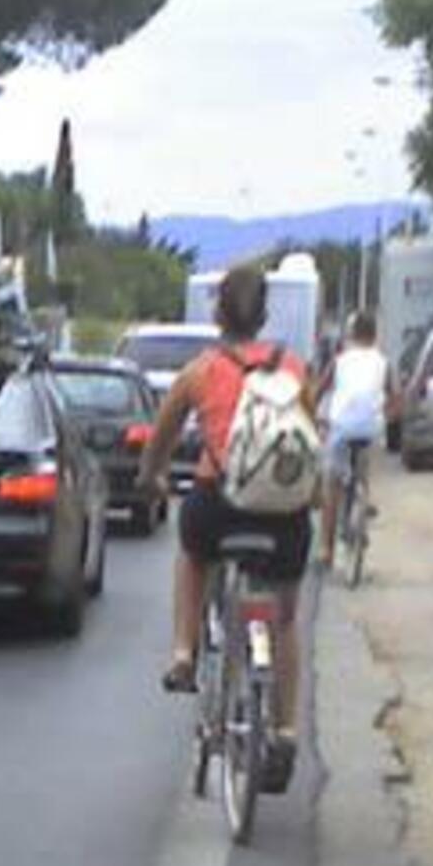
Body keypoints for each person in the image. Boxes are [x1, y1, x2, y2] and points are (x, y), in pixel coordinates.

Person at [137, 263, 317, 792]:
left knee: (192, 553)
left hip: (220, 504)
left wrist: (153, 479)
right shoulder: (295, 370)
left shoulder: (201, 370)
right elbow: (309, 442)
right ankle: (284, 731)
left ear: (219, 314)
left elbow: (160, 441)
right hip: (283, 515)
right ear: (263, 315)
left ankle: (184, 654)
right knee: (283, 618)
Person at [313, 311, 389, 569]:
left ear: (351, 335)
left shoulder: (340, 361)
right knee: (366, 461)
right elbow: (396, 396)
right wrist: (385, 416)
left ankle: (325, 549)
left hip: (342, 428)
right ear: (374, 335)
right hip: (371, 429)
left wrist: (313, 416)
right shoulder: (382, 362)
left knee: (332, 484)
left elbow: (319, 391)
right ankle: (364, 498)